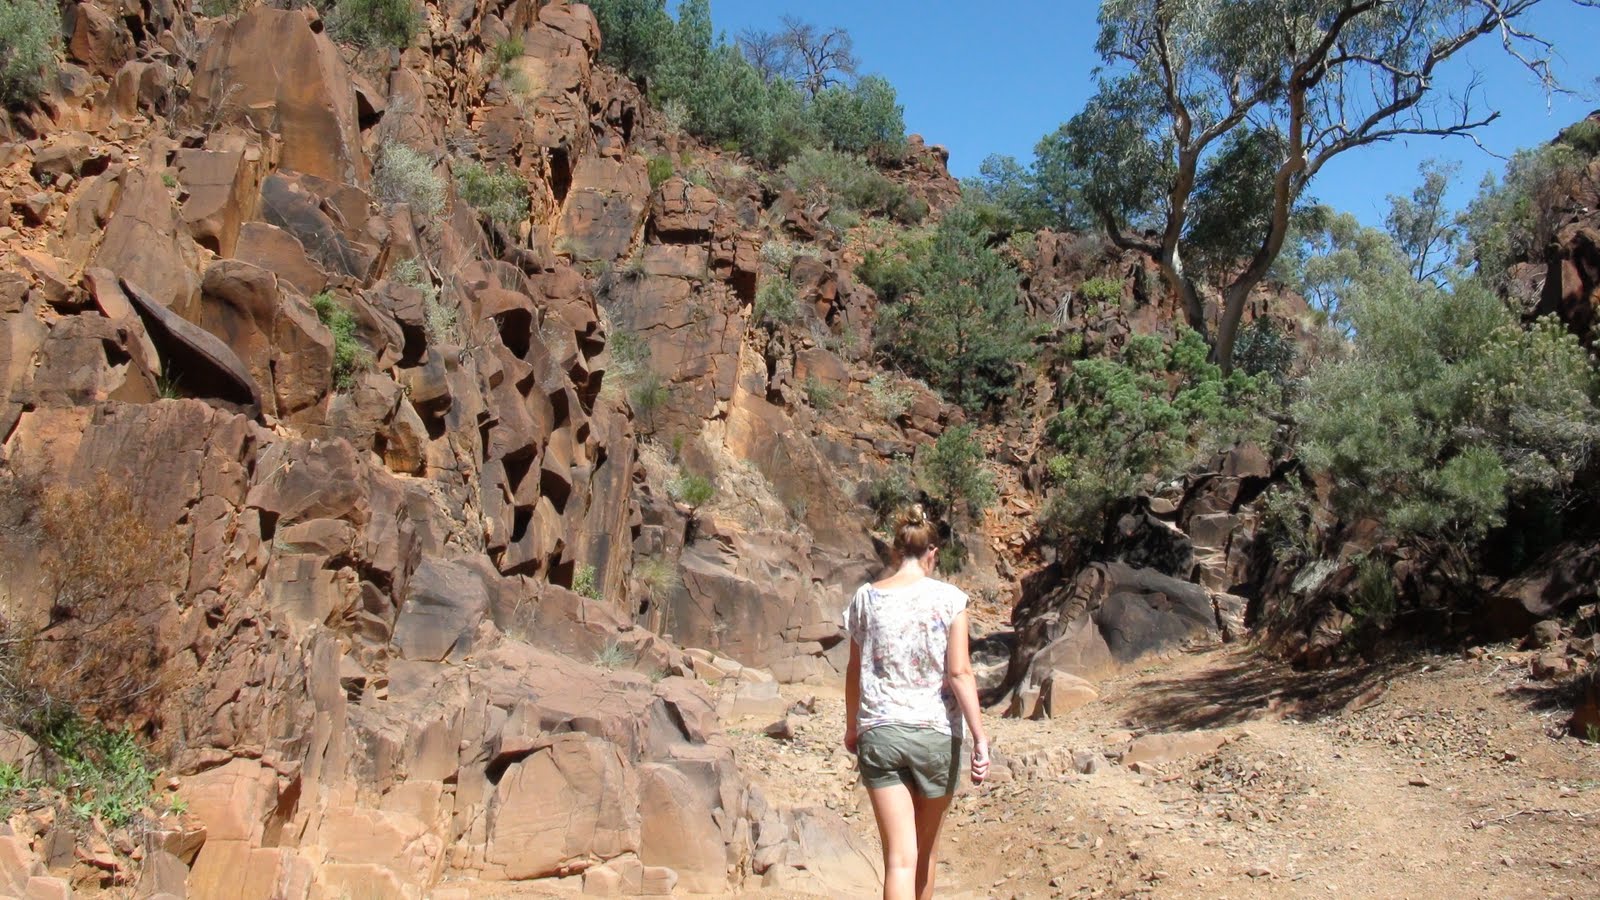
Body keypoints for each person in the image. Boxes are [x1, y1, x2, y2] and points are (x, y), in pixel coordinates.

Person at [843, 505, 990, 900]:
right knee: (924, 857)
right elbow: (960, 672)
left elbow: (855, 671)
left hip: (881, 734)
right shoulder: (950, 599)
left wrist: (852, 727)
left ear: (895, 552)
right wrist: (980, 739)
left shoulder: (865, 599)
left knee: (899, 860)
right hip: (937, 738)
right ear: (932, 554)